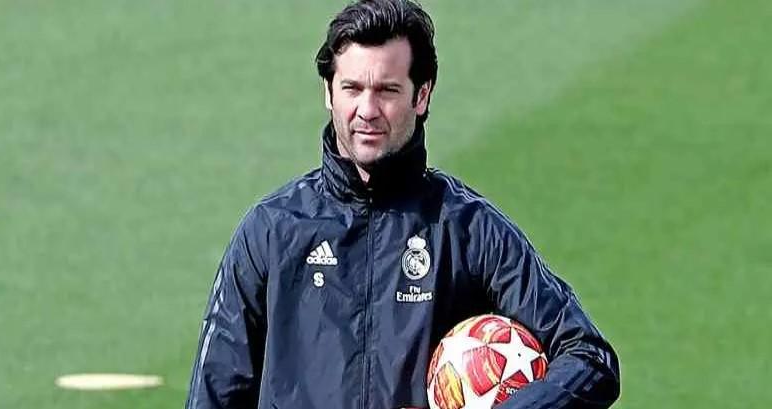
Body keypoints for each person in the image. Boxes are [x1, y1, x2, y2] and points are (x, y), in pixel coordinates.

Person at [185, 0, 620, 408]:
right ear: (329, 93)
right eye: (352, 88)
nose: (367, 110)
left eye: (387, 90)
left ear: (422, 95)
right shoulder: (271, 231)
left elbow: (589, 358)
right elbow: (213, 394)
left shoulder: (467, 229)